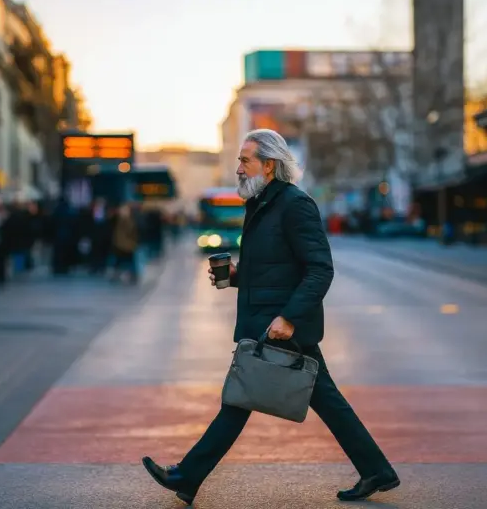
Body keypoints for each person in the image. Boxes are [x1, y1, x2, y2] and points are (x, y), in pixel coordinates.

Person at [141, 129, 399, 505]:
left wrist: (290, 318)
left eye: (245, 160)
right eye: (240, 160)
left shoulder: (295, 204)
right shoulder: (261, 204)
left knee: (239, 398)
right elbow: (271, 269)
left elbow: (319, 269)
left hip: (281, 327)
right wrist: (234, 277)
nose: (239, 168)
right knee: (319, 400)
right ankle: (376, 470)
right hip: (267, 321)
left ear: (269, 165)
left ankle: (187, 475)